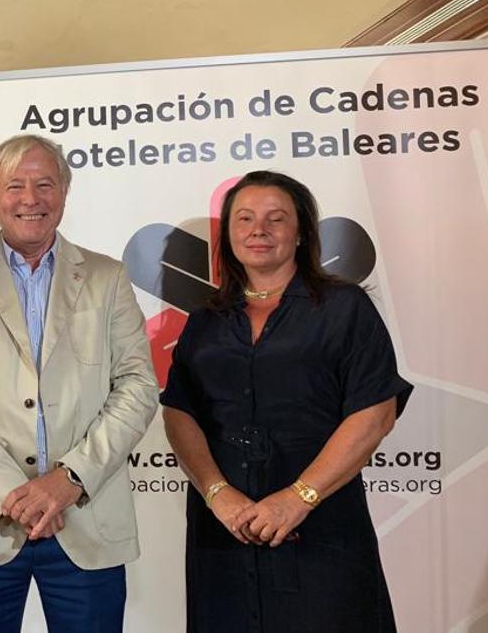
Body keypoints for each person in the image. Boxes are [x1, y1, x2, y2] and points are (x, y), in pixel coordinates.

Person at [0, 134, 158, 631]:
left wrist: (68, 480)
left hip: (85, 516)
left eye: (45, 184)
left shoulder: (106, 277)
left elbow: (137, 386)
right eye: (15, 186)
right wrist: (11, 491)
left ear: (65, 193)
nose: (31, 199)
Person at [161, 170, 413, 633]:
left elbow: (375, 413)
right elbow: (180, 413)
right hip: (225, 532)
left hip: (321, 529)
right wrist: (219, 497)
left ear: (300, 234)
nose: (259, 230)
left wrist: (299, 498)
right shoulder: (204, 321)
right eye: (245, 218)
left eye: (276, 219)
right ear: (230, 234)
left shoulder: (344, 307)